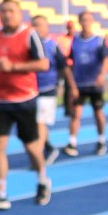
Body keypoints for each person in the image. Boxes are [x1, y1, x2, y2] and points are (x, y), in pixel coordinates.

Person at [0, 0, 51, 209]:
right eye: (3, 11)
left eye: (11, 11)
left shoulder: (29, 35)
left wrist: (13, 67)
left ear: (20, 13)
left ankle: (42, 179)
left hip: (24, 99)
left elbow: (43, 64)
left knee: (31, 146)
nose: (7, 15)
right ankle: (0, 191)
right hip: (0, 100)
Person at [30, 13, 74, 165]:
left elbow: (64, 67)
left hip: (48, 89)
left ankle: (38, 157)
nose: (35, 28)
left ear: (47, 27)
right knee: (32, 125)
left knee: (40, 123)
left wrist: (70, 86)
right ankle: (49, 148)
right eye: (33, 25)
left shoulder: (53, 45)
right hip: (30, 91)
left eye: (39, 25)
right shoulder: (28, 44)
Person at [65, 10, 108, 156]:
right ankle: (72, 143)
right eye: (83, 20)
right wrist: (71, 82)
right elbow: (70, 62)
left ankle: (101, 141)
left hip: (94, 83)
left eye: (88, 20)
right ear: (79, 22)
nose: (86, 23)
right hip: (80, 83)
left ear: (92, 22)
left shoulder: (99, 41)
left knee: (98, 112)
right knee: (75, 114)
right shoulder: (75, 41)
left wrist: (101, 75)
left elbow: (106, 59)